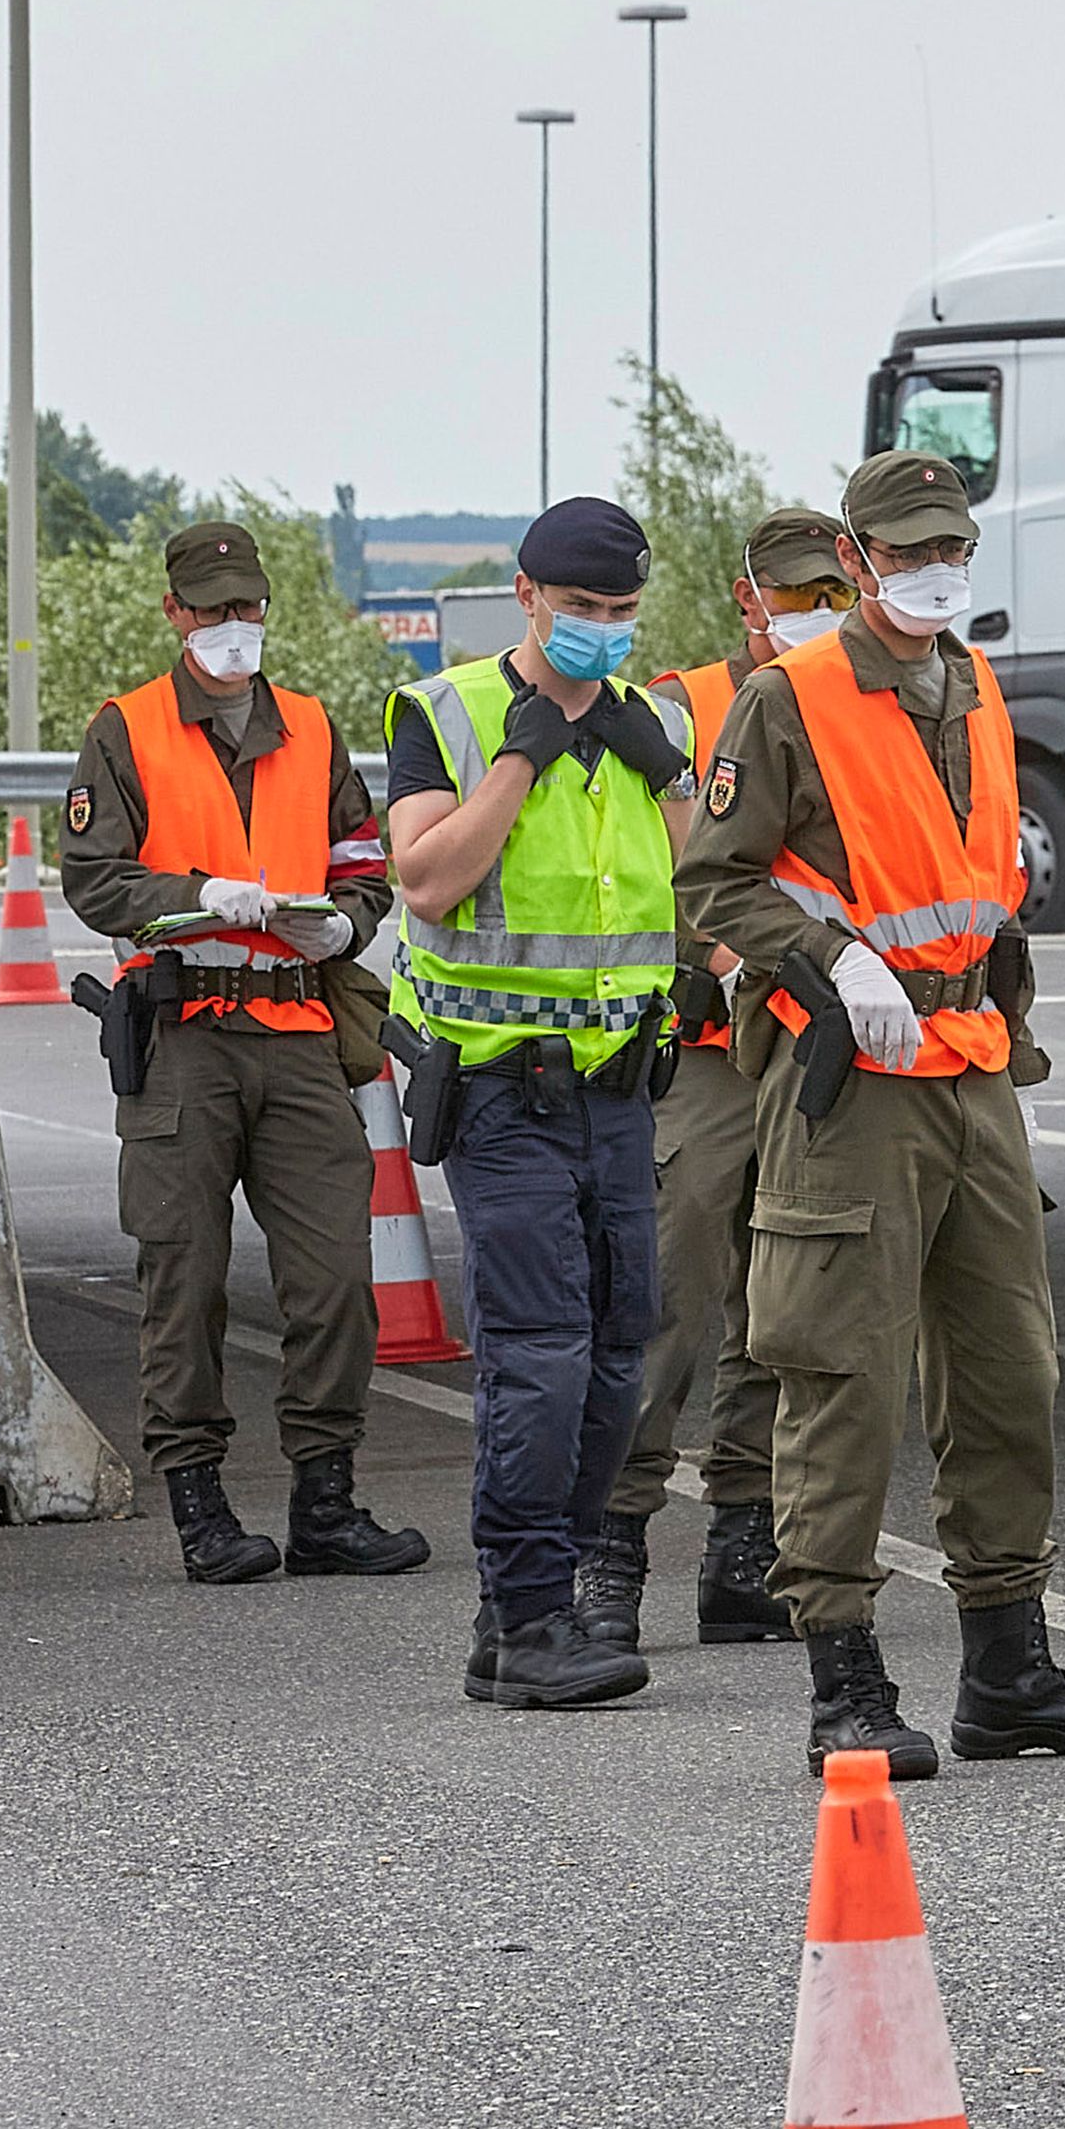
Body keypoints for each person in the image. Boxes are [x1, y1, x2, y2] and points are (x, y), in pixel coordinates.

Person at [676, 449, 1065, 1781]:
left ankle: (1009, 1668)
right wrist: (832, 962)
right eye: (904, 554)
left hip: (970, 1062)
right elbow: (717, 882)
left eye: (949, 546)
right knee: (839, 1371)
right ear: (857, 558)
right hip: (852, 1084)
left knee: (1011, 1367)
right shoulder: (792, 697)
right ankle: (845, 1679)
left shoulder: (976, 680)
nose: (931, 570)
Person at [61, 520, 426, 1588]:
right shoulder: (125, 730)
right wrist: (198, 897)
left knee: (335, 1278)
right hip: (183, 1036)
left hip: (302, 1032)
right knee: (184, 1273)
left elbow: (365, 860)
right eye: (211, 608)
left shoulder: (309, 729)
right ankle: (199, 1505)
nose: (232, 627)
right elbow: (94, 876)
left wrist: (348, 926)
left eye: (247, 607)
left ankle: (326, 1503)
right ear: (173, 612)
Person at [384, 495, 693, 1709]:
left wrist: (665, 771)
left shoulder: (651, 720)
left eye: (621, 614)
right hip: (503, 1089)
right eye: (581, 610)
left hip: (619, 1089)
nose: (601, 633)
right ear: (526, 594)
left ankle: (524, 1610)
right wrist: (523, 754)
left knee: (622, 1352)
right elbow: (428, 884)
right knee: (542, 1359)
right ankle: (526, 1621)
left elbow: (697, 885)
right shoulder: (449, 712)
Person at [572, 503, 855, 1654]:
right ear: (747, 599)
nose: (811, 617)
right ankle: (611, 1550)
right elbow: (642, 872)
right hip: (706, 1050)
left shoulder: (866, 711)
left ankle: (744, 1544)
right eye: (792, 597)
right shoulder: (672, 710)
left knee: (781, 1314)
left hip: (820, 1041)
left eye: (831, 596)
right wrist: (728, 955)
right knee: (669, 1302)